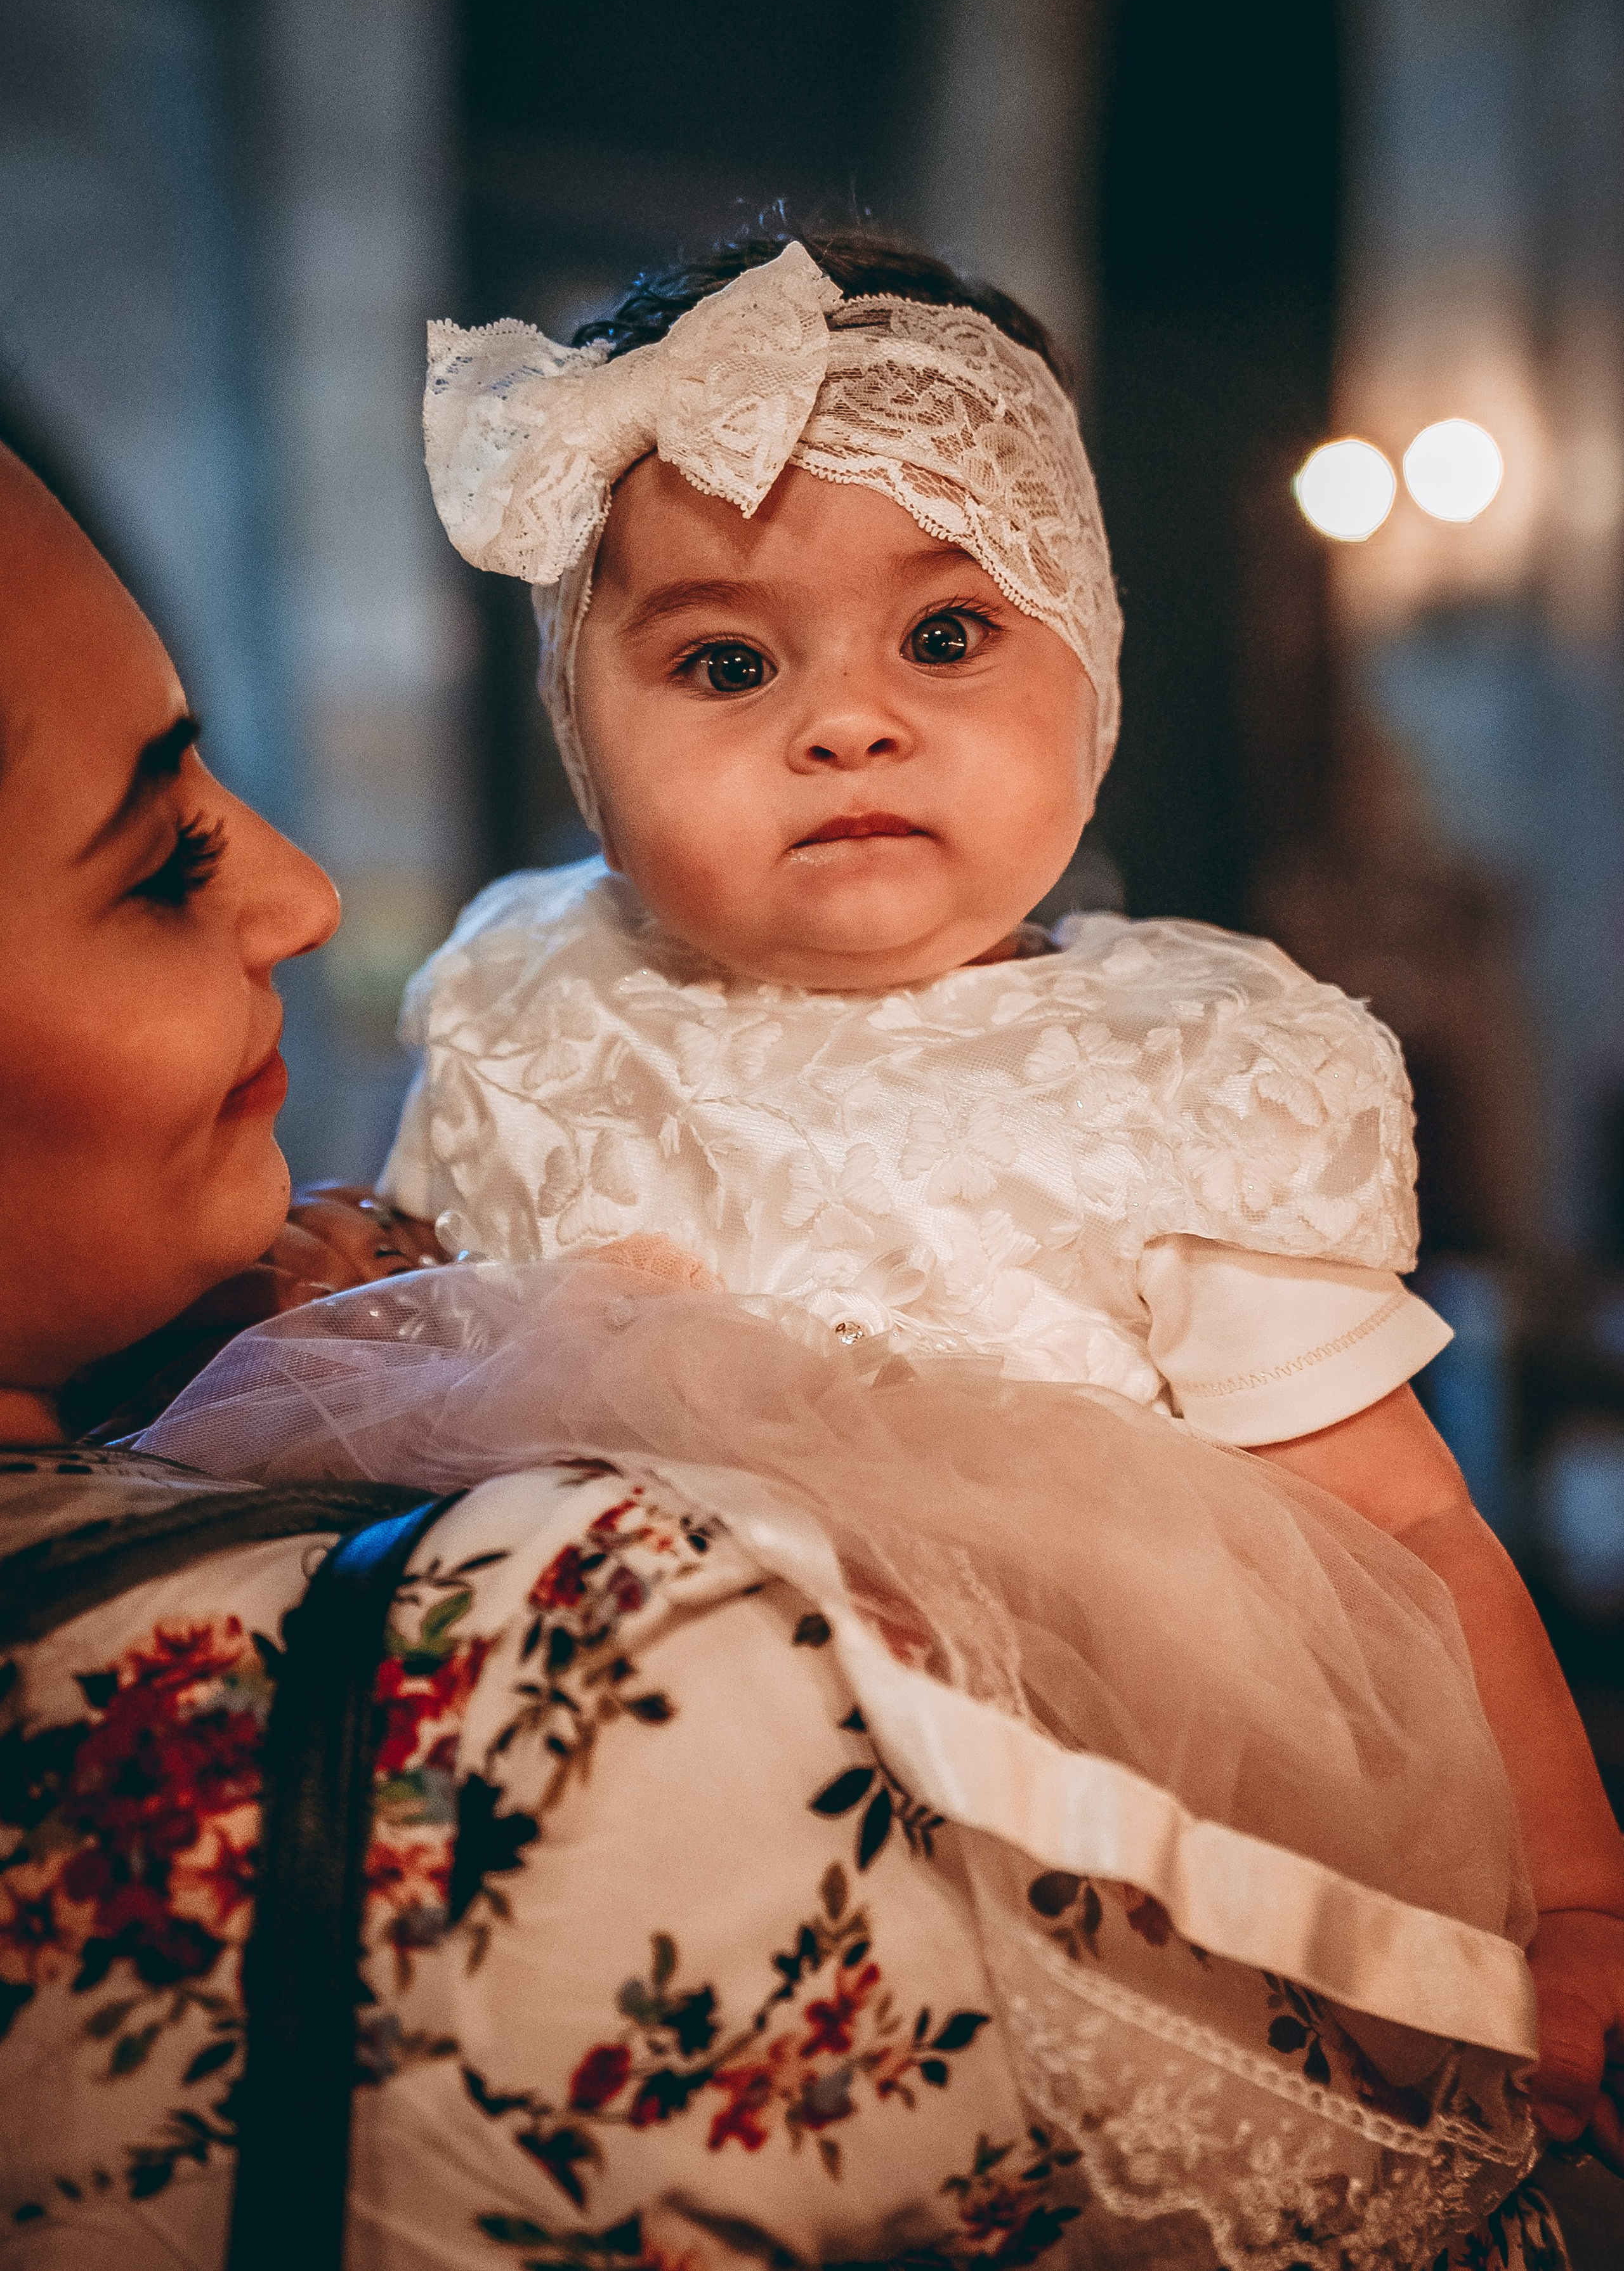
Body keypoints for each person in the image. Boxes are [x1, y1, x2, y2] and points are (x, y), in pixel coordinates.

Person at [131, 235, 1621, 2262]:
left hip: (1112, 1894)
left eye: (944, 636)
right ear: (585, 716)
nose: (846, 725)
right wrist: (344, 1280)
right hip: (651, 1915)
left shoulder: (1185, 1065)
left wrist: (1572, 1898)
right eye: (730, 666)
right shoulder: (535, 1002)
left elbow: (1409, 1531)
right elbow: (423, 1322)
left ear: (1086, 643)